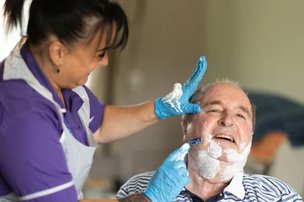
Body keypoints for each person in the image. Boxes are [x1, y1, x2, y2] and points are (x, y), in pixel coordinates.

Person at [0, 0, 208, 201]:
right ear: (58, 52)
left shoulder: (55, 75)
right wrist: (148, 197)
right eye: (99, 53)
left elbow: (99, 124)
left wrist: (161, 107)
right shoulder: (24, 117)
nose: (105, 61)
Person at [116, 79, 303, 201]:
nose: (228, 120)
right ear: (186, 126)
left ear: (251, 135)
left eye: (240, 115)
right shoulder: (139, 188)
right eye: (214, 110)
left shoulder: (279, 195)